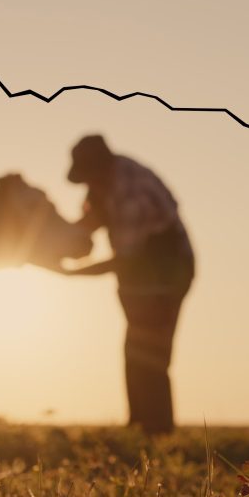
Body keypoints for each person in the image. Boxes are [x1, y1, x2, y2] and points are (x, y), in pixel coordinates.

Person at [58, 135, 194, 435]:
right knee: (135, 350)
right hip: (139, 277)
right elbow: (88, 223)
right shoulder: (103, 186)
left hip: (165, 275)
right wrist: (57, 241)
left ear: (100, 168)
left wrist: (72, 272)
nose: (87, 186)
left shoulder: (132, 191)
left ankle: (156, 432)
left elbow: (125, 260)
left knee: (151, 352)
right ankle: (139, 428)